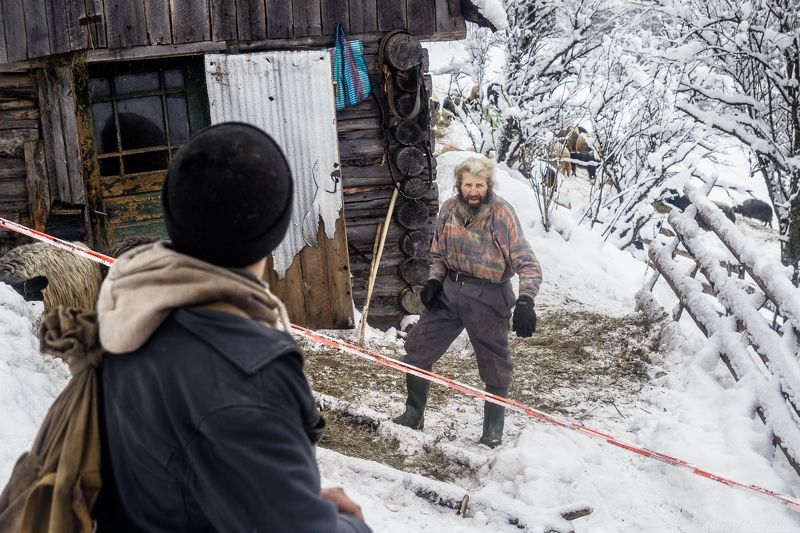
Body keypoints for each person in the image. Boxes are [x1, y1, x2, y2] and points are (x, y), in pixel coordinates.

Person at [95, 122, 370, 532]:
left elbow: (181, 475)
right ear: (273, 229)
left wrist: (289, 498)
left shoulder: (132, 317)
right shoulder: (248, 372)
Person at [394, 156, 542, 448]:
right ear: (459, 185)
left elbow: (528, 263)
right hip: (450, 290)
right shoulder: (449, 210)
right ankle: (413, 415)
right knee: (418, 348)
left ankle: (492, 432)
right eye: (468, 184)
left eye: (480, 184)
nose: (474, 191)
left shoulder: (502, 215)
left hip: (489, 295)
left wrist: (526, 300)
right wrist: (435, 281)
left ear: (488, 185)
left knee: (494, 363)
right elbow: (437, 253)